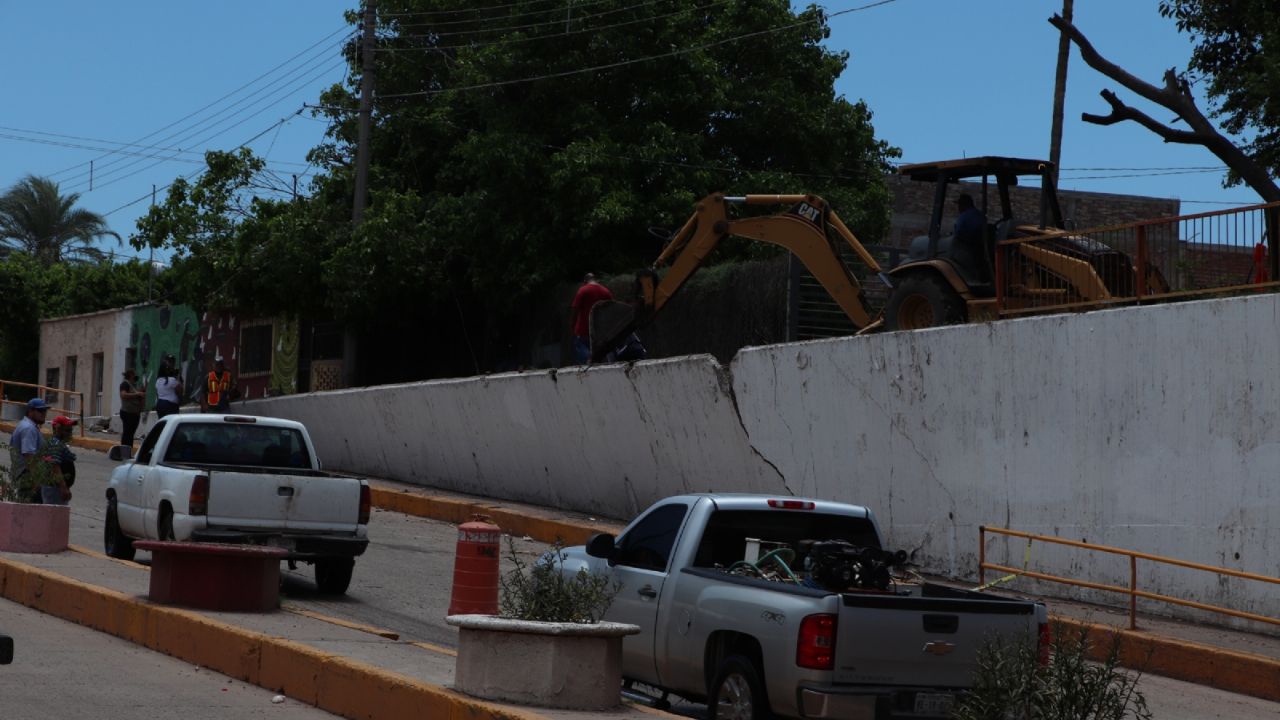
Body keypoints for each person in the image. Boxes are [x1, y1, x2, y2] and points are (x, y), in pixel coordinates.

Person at [569, 273, 613, 364]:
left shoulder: (583, 290)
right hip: (600, 333)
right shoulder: (606, 291)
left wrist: (572, 326)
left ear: (585, 281)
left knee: (581, 351)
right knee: (600, 355)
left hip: (583, 331)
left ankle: (588, 361)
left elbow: (575, 309)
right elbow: (611, 309)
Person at [38, 416, 77, 505]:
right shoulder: (55, 444)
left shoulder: (58, 443)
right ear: (57, 429)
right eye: (67, 431)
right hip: (55, 490)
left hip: (55, 488)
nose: (70, 434)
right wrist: (63, 487)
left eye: (70, 431)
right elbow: (54, 466)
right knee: (54, 516)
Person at [119, 368, 145, 446]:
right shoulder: (125, 384)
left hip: (134, 413)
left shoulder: (133, 386)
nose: (135, 376)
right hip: (127, 413)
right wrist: (137, 394)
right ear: (131, 375)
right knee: (127, 434)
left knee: (130, 434)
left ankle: (128, 450)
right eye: (134, 375)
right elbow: (123, 395)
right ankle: (124, 451)